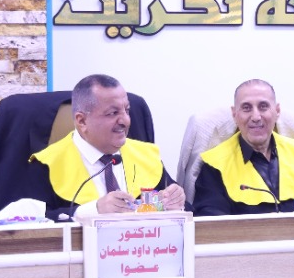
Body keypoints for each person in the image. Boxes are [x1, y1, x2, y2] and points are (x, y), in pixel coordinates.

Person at [28, 74, 185, 220]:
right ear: (82, 121)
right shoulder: (48, 164)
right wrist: (94, 210)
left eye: (127, 110)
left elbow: (181, 209)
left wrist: (176, 201)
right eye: (113, 113)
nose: (125, 121)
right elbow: (30, 221)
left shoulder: (146, 155)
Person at [192, 79, 294, 215]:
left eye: (263, 107)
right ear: (235, 114)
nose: (256, 117)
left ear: (277, 111)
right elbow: (211, 222)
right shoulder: (215, 164)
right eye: (246, 108)